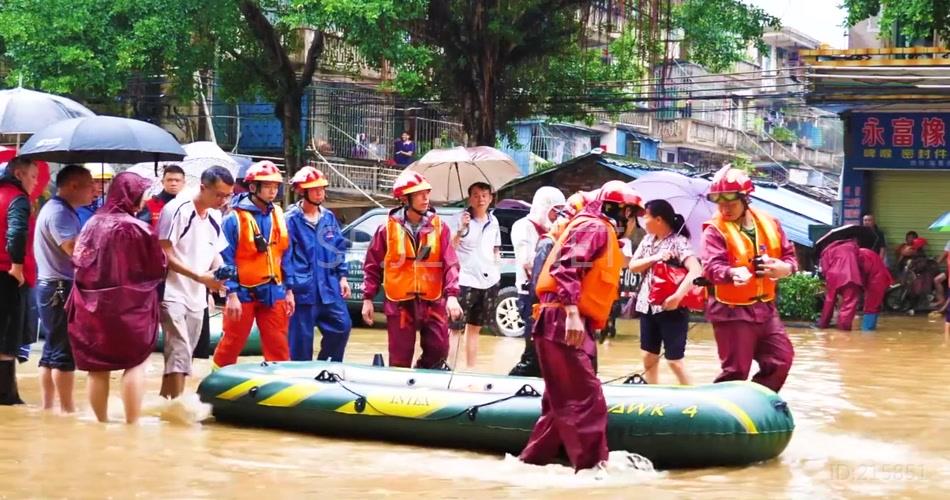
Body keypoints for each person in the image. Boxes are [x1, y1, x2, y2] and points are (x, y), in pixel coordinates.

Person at [519, 181, 644, 472]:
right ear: (622, 211)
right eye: (634, 215)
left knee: (559, 406)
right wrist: (573, 312)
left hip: (570, 321)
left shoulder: (598, 230)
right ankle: (593, 471)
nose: (635, 224)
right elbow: (566, 266)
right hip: (563, 319)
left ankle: (530, 465)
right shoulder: (595, 228)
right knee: (587, 400)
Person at [67, 172, 167, 423]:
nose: (145, 200)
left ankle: (100, 423)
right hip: (132, 306)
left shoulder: (90, 224)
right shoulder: (138, 228)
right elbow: (158, 266)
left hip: (92, 307)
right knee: (135, 363)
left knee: (97, 367)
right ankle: (132, 423)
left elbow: (78, 261)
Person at [700, 166, 797, 393]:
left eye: (731, 203)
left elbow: (789, 256)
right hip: (732, 311)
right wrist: (732, 273)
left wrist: (785, 268)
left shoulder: (770, 222)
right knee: (736, 370)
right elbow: (711, 267)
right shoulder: (714, 231)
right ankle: (721, 414)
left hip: (765, 308)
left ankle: (755, 403)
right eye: (719, 203)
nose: (724, 209)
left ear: (746, 199)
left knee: (781, 359)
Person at [361, 170, 463, 368]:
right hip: (400, 303)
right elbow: (372, 265)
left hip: (431, 300)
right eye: (419, 194)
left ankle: (422, 376)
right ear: (405, 199)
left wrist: (452, 295)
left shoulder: (440, 228)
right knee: (400, 358)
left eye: (427, 192)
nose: (426, 198)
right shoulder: (386, 230)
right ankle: (399, 392)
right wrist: (367, 299)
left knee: (439, 349)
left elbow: (450, 262)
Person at [156, 166, 233, 399]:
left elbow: (215, 252)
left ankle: (167, 405)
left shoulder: (215, 216)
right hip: (172, 292)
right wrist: (200, 277)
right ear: (202, 187)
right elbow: (164, 253)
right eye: (218, 194)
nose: (222, 200)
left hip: (198, 296)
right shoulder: (176, 209)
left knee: (183, 356)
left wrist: (222, 276)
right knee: (178, 351)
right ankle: (177, 409)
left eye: (226, 195)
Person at [213, 161, 295, 369]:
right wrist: (231, 294)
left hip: (273, 289)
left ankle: (280, 387)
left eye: (275, 187)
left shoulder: (278, 214)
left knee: (278, 345)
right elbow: (225, 258)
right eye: (267, 186)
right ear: (252, 187)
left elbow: (285, 254)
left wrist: (289, 289)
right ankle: (216, 384)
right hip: (242, 292)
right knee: (232, 342)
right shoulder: (233, 219)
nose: (273, 191)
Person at [33, 165, 95, 412]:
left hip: (51, 285)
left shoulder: (58, 209)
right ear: (73, 186)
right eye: (90, 185)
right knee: (63, 352)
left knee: (50, 351)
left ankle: (49, 408)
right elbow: (73, 250)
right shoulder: (60, 213)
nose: (94, 190)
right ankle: (67, 411)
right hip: (60, 287)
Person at [627, 199, 701, 385]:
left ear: (658, 220)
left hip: (671, 308)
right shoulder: (647, 240)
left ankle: (694, 397)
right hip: (647, 306)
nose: (643, 221)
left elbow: (696, 271)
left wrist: (677, 296)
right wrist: (656, 257)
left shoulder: (679, 242)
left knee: (674, 361)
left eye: (646, 217)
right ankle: (653, 394)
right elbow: (633, 266)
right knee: (648, 357)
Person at [286, 167, 352, 362]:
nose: (320, 193)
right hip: (303, 291)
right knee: (300, 343)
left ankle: (326, 367)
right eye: (314, 189)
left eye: (322, 189)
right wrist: (288, 289)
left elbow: (337, 248)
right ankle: (299, 380)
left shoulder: (328, 217)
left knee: (342, 326)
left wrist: (343, 277)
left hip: (329, 287)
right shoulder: (289, 220)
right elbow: (285, 257)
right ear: (302, 191)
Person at [508, 186, 565, 377]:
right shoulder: (523, 226)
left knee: (545, 344)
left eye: (560, 210)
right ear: (544, 206)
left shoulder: (554, 231)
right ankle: (519, 378)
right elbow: (527, 262)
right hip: (529, 293)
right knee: (533, 343)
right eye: (555, 210)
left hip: (548, 296)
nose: (557, 215)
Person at [448, 182, 502, 370]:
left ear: (490, 198)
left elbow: (496, 247)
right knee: (455, 329)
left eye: (484, 195)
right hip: (464, 281)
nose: (481, 199)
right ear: (469, 198)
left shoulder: (493, 221)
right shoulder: (459, 219)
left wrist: (496, 266)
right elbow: (450, 248)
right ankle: (449, 370)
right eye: (476, 195)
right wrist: (462, 229)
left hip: (488, 282)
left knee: (475, 330)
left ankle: (471, 371)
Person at [0, 157, 40, 405]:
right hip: (8, 274)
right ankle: (6, 397)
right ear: (19, 174)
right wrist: (17, 266)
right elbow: (16, 232)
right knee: (7, 338)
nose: (35, 182)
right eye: (32, 176)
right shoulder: (17, 199)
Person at [818, 239, 863, 331]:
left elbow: (825, 269)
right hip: (850, 275)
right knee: (849, 302)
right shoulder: (853, 247)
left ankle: (823, 324)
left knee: (829, 301)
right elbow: (860, 262)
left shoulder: (827, 251)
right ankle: (843, 329)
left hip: (833, 276)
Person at [138, 164, 186, 229]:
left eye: (177, 180)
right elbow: (140, 231)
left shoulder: (189, 205)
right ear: (162, 182)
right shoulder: (150, 204)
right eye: (169, 180)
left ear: (183, 183)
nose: (173, 184)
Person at [857, 246, 892, 331]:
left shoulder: (861, 255)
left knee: (870, 306)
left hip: (876, 280)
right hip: (878, 278)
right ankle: (870, 329)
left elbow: (865, 270)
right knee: (873, 305)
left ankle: (867, 331)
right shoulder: (862, 252)